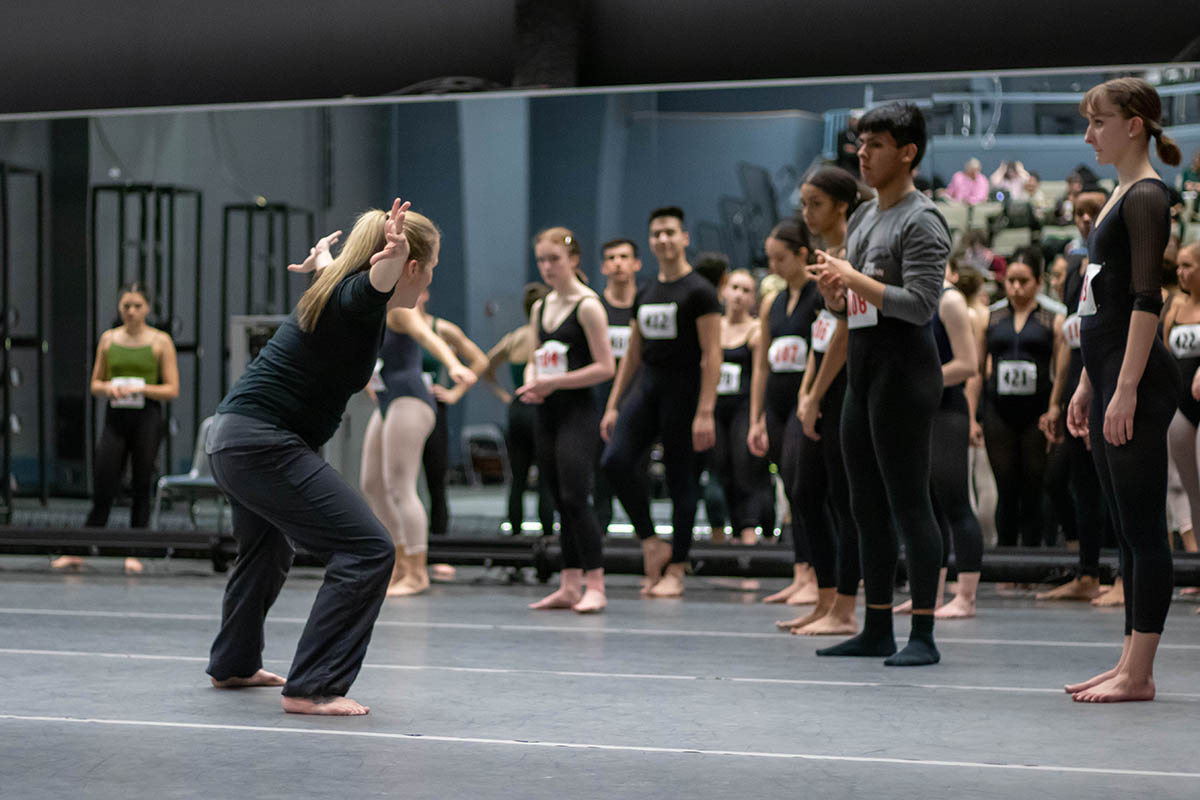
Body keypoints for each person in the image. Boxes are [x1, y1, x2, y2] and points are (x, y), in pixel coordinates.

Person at [204, 199, 451, 716]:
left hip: (233, 438)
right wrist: (395, 253)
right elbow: (374, 280)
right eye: (426, 270)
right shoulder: (360, 296)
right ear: (408, 266)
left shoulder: (334, 288)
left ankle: (234, 663)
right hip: (262, 444)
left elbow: (345, 274)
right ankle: (313, 685)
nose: (427, 282)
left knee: (267, 550)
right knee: (368, 551)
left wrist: (327, 258)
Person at [810, 102, 951, 666]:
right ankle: (876, 627)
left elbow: (920, 307)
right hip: (865, 368)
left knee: (909, 503)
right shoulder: (866, 216)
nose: (862, 154)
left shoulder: (924, 219)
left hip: (905, 370)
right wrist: (836, 297)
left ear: (908, 152)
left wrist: (852, 278)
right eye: (860, 143)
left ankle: (923, 633)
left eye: (876, 144)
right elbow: (858, 304)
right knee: (863, 504)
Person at [1065, 78, 1183, 702]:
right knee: (1124, 526)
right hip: (1110, 372)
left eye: (1099, 122)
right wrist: (1089, 379)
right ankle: (1126, 661)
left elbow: (1145, 300)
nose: (1089, 136)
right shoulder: (1116, 196)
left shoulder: (1146, 198)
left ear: (1133, 123)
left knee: (1143, 530)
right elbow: (1099, 303)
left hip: (1136, 379)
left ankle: (1140, 674)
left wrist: (1127, 387)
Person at [600, 206, 722, 598]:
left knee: (680, 479)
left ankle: (678, 568)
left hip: (684, 392)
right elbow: (632, 354)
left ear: (684, 238)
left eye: (670, 232)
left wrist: (705, 411)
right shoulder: (647, 291)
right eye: (656, 234)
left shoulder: (700, 291)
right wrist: (614, 404)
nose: (663, 240)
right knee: (615, 461)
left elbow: (712, 354)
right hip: (647, 387)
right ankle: (651, 541)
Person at [53, 283, 180, 574]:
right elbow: (95, 384)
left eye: (137, 306)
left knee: (141, 481)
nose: (131, 311)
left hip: (146, 414)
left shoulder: (160, 342)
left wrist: (142, 387)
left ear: (147, 308)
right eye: (126, 306)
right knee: (105, 480)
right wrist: (112, 387)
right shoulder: (109, 340)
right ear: (119, 308)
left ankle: (135, 549)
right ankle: (81, 548)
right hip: (117, 415)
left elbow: (172, 389)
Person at [521, 228, 615, 611]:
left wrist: (554, 382)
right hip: (548, 412)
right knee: (559, 497)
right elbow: (533, 356)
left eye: (554, 260)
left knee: (577, 495)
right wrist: (532, 383)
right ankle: (569, 581)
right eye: (541, 260)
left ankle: (596, 582)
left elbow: (605, 366)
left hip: (579, 410)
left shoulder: (589, 306)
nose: (547, 267)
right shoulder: (541, 307)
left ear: (573, 260)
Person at [360, 302, 474, 597]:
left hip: (409, 398)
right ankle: (398, 565)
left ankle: (417, 570)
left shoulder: (399, 309)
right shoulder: (370, 309)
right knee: (372, 484)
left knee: (401, 488)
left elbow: (428, 337)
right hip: (387, 399)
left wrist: (454, 365)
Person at [981, 247, 1060, 548]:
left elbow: (1061, 371)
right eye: (1011, 280)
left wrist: (1054, 407)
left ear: (1039, 281)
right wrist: (976, 415)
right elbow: (978, 368)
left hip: (1036, 410)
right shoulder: (992, 317)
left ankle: (1030, 557)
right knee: (1006, 485)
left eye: (1023, 281)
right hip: (998, 409)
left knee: (1033, 485)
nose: (1016, 287)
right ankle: (1006, 559)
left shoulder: (1052, 317)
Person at [918, 268, 981, 618]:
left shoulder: (950, 299)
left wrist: (918, 381)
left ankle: (966, 597)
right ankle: (932, 593)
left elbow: (968, 364)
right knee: (927, 506)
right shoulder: (915, 298)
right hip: (920, 411)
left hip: (947, 411)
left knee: (955, 501)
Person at [483, 283, 556, 536]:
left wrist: (505, 395)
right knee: (546, 480)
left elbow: (486, 365)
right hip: (541, 409)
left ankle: (514, 541)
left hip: (518, 410)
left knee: (518, 479)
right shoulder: (549, 339)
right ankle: (548, 540)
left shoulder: (515, 338)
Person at [415, 290, 489, 538]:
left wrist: (455, 392)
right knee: (396, 483)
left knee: (435, 479)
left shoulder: (440, 328)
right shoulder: (392, 322)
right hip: (399, 407)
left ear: (425, 293)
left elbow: (479, 360)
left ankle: (439, 545)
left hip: (433, 408)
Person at [592, 239, 645, 535]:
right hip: (599, 400)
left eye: (624, 257)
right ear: (603, 266)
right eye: (611, 257)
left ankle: (644, 533)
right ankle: (599, 534)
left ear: (636, 263)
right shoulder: (595, 308)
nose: (618, 263)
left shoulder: (645, 305)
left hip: (638, 402)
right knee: (600, 469)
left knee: (637, 469)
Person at [712, 270, 768, 546]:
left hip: (744, 405)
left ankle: (748, 529)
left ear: (753, 299)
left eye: (746, 291)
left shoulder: (756, 330)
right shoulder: (713, 328)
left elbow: (760, 373)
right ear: (723, 291)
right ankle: (722, 529)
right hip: (714, 406)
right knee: (719, 465)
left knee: (744, 464)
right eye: (734, 288)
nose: (739, 295)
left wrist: (757, 416)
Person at [1163, 243, 1200, 565]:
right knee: (1188, 488)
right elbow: (1164, 356)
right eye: (1179, 266)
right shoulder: (1174, 307)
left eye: (1187, 266)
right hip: (1179, 404)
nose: (1180, 272)